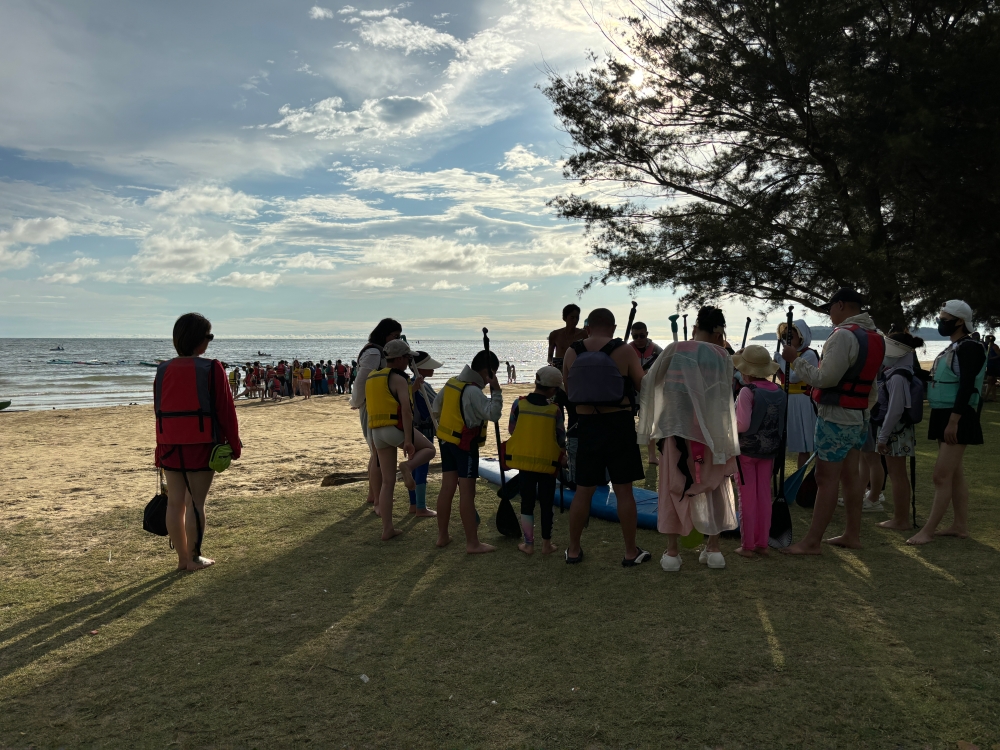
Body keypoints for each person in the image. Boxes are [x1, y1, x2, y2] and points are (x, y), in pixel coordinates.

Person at [780, 288, 885, 554]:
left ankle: (812, 542)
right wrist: (862, 411)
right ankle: (852, 534)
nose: (829, 314)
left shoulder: (843, 336)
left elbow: (825, 379)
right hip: (858, 414)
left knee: (826, 478)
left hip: (836, 414)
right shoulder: (876, 337)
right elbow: (873, 387)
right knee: (851, 477)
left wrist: (795, 361)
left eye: (830, 308)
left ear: (840, 305)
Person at [638, 306, 740, 571]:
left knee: (675, 484)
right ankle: (714, 549)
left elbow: (650, 381)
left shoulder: (677, 349)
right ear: (720, 333)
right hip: (713, 433)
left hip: (677, 429)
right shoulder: (723, 356)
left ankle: (672, 553)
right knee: (714, 485)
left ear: (695, 328)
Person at [154, 313, 241, 572]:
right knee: (195, 503)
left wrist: (160, 447)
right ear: (198, 339)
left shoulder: (163, 369)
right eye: (209, 336)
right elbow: (226, 411)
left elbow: (158, 410)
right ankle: (193, 557)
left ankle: (182, 559)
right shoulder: (212, 368)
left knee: (175, 502)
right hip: (201, 443)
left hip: (169, 443)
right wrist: (234, 444)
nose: (210, 342)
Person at [562, 308, 648, 566]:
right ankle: (631, 552)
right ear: (612, 327)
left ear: (588, 327)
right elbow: (642, 385)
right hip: (619, 425)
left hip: (586, 425)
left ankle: (574, 550)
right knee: (624, 492)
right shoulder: (624, 350)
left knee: (583, 492)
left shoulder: (571, 351)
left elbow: (569, 389)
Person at [907, 300, 987, 545]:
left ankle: (928, 531)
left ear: (960, 321)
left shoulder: (969, 347)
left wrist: (954, 422)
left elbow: (966, 386)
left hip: (957, 415)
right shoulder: (956, 346)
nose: (940, 321)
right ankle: (959, 526)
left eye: (944, 318)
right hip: (945, 413)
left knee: (941, 476)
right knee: (954, 475)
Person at [432, 349, 503, 554]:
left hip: (446, 441)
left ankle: (442, 536)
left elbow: (437, 406)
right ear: (487, 372)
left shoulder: (453, 382)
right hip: (464, 446)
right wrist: (496, 391)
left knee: (447, 488)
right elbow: (494, 414)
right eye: (493, 375)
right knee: (467, 493)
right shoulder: (473, 391)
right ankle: (472, 543)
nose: (492, 380)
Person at [366, 339, 436, 540]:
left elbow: (389, 398)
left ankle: (387, 529)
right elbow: (405, 409)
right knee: (430, 449)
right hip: (395, 427)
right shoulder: (399, 378)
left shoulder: (373, 377)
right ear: (397, 359)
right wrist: (407, 439)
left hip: (377, 433)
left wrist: (413, 388)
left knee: (388, 483)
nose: (408, 361)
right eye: (406, 357)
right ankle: (407, 466)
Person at [506, 366, 566, 555]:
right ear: (553, 390)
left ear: (536, 383)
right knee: (547, 503)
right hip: (548, 465)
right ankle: (547, 544)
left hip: (525, 464)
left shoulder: (518, 404)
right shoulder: (555, 410)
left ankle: (529, 544)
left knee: (527, 502)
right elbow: (560, 438)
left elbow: (512, 430)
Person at [866, 331, 924, 530]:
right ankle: (901, 518)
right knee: (897, 473)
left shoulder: (898, 376)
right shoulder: (899, 371)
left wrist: (883, 437)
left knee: (897, 474)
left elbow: (895, 409)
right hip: (896, 431)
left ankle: (901, 520)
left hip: (895, 431)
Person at [732, 345, 785, 557]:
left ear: (746, 371)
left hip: (747, 451)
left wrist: (727, 425)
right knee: (764, 496)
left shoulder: (747, 391)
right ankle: (763, 542)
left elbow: (742, 425)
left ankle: (748, 545)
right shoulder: (779, 391)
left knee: (747, 499)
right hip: (770, 450)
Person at [351, 318, 403, 508]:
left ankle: (374, 495)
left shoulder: (376, 351)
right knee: (377, 452)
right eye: (395, 336)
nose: (396, 340)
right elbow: (362, 380)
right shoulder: (374, 352)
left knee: (375, 452)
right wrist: (356, 401)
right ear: (385, 334)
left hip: (372, 403)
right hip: (371, 404)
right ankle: (379, 498)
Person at [773, 319, 819, 467]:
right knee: (800, 444)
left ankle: (815, 477)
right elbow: (783, 378)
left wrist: (780, 359)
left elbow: (793, 376)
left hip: (804, 401)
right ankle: (800, 480)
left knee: (808, 442)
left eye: (790, 336)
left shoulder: (809, 354)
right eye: (785, 336)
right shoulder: (789, 356)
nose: (787, 339)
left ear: (801, 336)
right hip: (789, 400)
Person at [408, 351, 442, 518]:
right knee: (421, 466)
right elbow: (438, 404)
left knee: (413, 465)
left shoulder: (408, 384)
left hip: (411, 431)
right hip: (424, 430)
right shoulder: (422, 385)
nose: (433, 369)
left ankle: (414, 504)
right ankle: (421, 507)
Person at [547, 303, 588, 371]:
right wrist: (551, 363)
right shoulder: (555, 335)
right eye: (572, 317)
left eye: (577, 318)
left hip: (577, 368)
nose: (575, 320)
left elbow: (588, 354)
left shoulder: (583, 334)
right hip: (560, 369)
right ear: (564, 318)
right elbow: (550, 357)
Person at [984, 334, 999, 402]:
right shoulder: (989, 347)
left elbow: (999, 355)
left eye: (986, 339)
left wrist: (991, 358)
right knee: (992, 382)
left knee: (990, 381)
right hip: (990, 365)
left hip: (994, 366)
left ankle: (985, 397)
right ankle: (994, 398)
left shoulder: (994, 346)